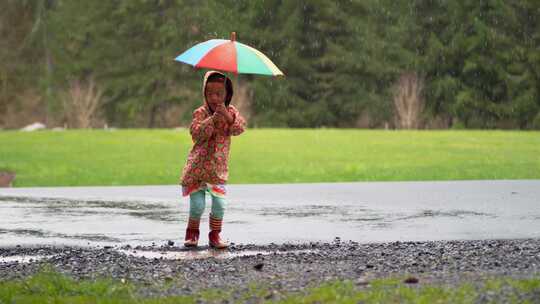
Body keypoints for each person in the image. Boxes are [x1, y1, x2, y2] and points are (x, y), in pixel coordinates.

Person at [180, 71, 246, 249]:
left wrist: (226, 116)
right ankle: (192, 233)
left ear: (227, 95)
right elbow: (196, 134)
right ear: (204, 94)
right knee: (197, 206)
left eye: (219, 94)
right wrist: (211, 120)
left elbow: (239, 129)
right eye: (209, 94)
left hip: (218, 170)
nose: (214, 98)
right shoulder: (200, 113)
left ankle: (215, 235)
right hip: (198, 169)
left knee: (219, 204)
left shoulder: (231, 111)